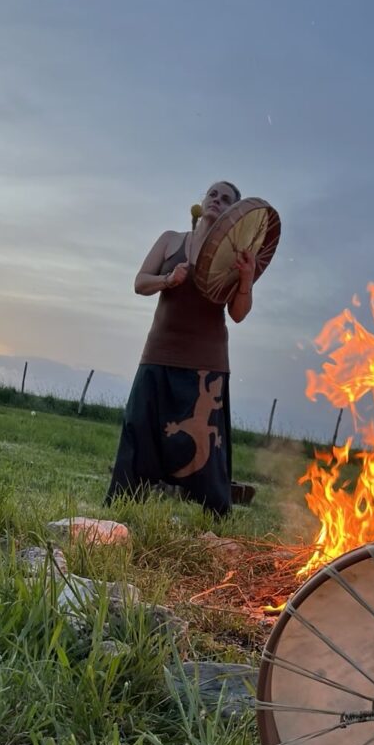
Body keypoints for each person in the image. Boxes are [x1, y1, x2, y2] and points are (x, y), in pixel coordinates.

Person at [104, 180, 257, 517]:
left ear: (232, 213)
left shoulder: (234, 258)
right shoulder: (171, 240)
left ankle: (214, 515)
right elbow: (140, 282)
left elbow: (238, 313)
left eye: (226, 199)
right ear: (202, 201)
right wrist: (168, 279)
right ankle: (125, 506)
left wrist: (246, 279)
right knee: (140, 429)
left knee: (205, 443)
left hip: (207, 364)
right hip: (159, 353)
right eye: (213, 194)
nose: (217, 200)